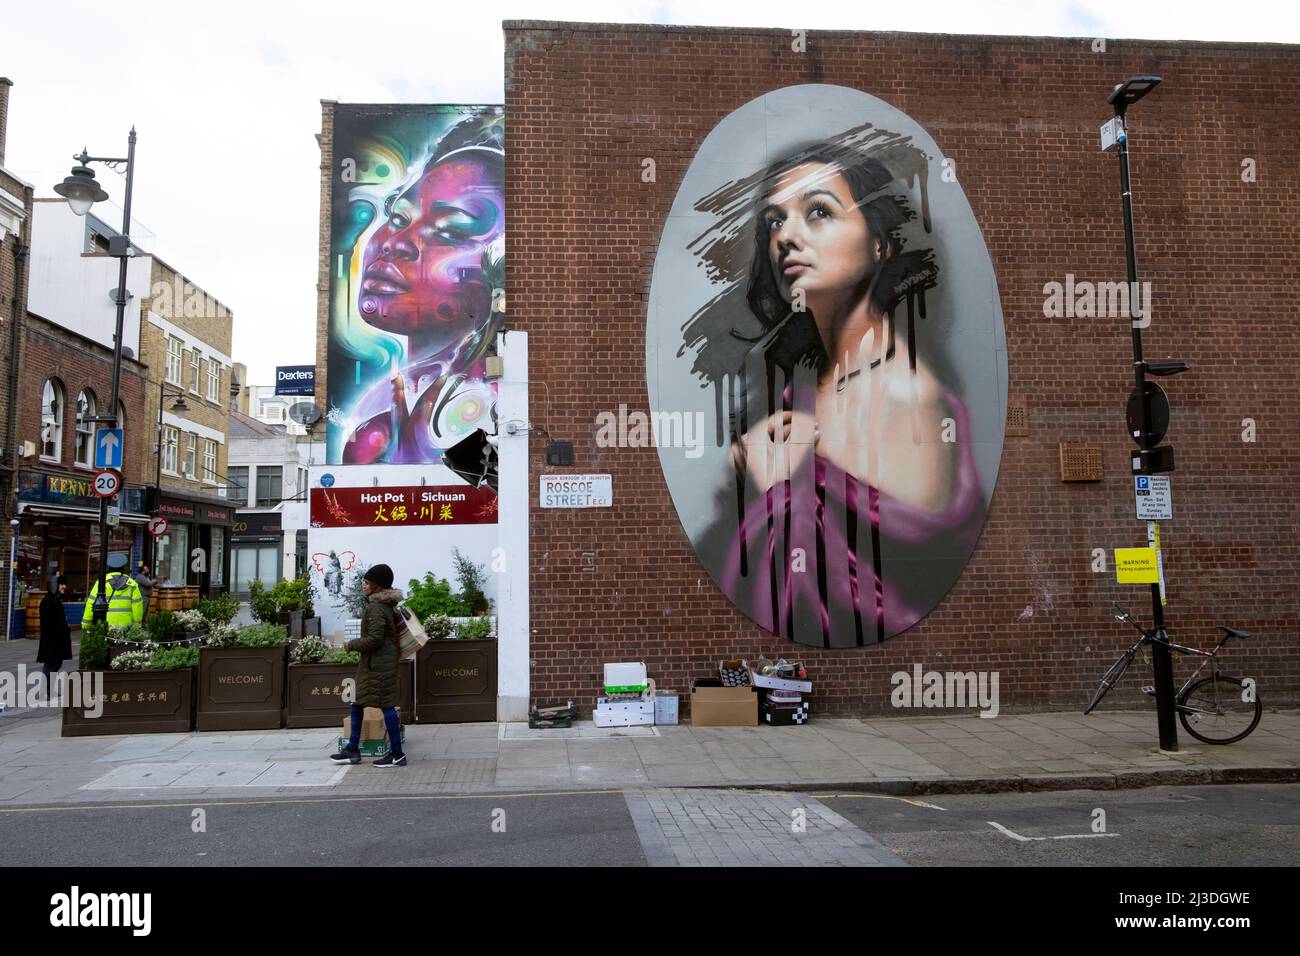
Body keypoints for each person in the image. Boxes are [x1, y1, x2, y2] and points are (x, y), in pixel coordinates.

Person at [716, 144, 984, 647]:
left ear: (880, 244)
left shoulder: (908, 401)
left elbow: (867, 597)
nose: (786, 238)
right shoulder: (805, 384)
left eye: (818, 212)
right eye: (774, 222)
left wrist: (773, 484)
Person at [341, 115, 505, 464]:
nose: (397, 242)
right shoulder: (377, 410)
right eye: (399, 218)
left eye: (450, 230)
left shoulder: (498, 400)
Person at [330, 564, 406, 767]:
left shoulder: (376, 608)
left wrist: (350, 645)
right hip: (376, 663)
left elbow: (374, 639)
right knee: (357, 702)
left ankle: (397, 754)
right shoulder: (382, 605)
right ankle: (352, 750)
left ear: (376, 586)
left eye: (366, 583)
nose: (363, 586)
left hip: (379, 665)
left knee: (386, 706)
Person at [81, 553, 145, 628]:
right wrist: (137, 626)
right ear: (123, 567)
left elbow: (91, 604)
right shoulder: (132, 585)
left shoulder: (101, 583)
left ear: (109, 567)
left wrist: (86, 625)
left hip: (105, 626)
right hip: (126, 627)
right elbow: (137, 607)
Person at [37, 576, 71, 699]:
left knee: (56, 664)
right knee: (50, 665)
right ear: (54, 585)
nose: (64, 587)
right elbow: (48, 623)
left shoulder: (55, 599)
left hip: (57, 640)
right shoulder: (48, 601)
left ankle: (49, 690)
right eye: (61, 584)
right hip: (52, 641)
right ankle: (45, 691)